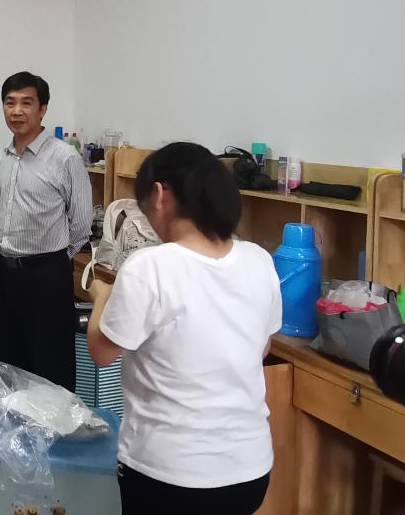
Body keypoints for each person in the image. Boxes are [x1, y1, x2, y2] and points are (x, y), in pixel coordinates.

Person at [86, 142, 281, 515]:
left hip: (168, 473)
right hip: (249, 471)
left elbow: (102, 352)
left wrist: (101, 298)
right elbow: (262, 347)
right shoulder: (259, 260)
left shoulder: (149, 267)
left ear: (159, 195)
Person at [0, 72, 93, 389]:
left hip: (46, 273)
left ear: (43, 109)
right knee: (10, 358)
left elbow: (82, 223)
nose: (17, 111)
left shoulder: (65, 158)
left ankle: (54, 421)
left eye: (26, 103)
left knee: (51, 361)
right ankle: (15, 417)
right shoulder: (2, 156)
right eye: (10, 103)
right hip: (5, 269)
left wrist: (55, 260)